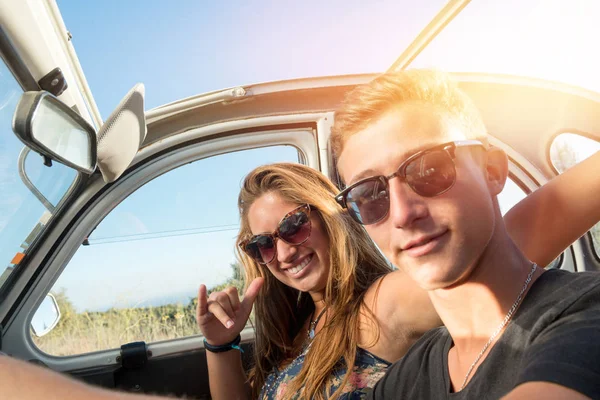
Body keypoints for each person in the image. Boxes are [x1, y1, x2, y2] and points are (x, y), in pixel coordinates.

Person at [2, 72, 600, 400]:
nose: (283, 250)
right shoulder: (312, 332)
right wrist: (220, 347)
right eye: (263, 244)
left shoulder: (381, 308)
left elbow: (504, 239)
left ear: (333, 217)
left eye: (293, 224)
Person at [329, 69, 600, 399]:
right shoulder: (413, 371)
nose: (402, 214)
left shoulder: (584, 312)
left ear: (492, 171)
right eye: (369, 195)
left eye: (429, 169)